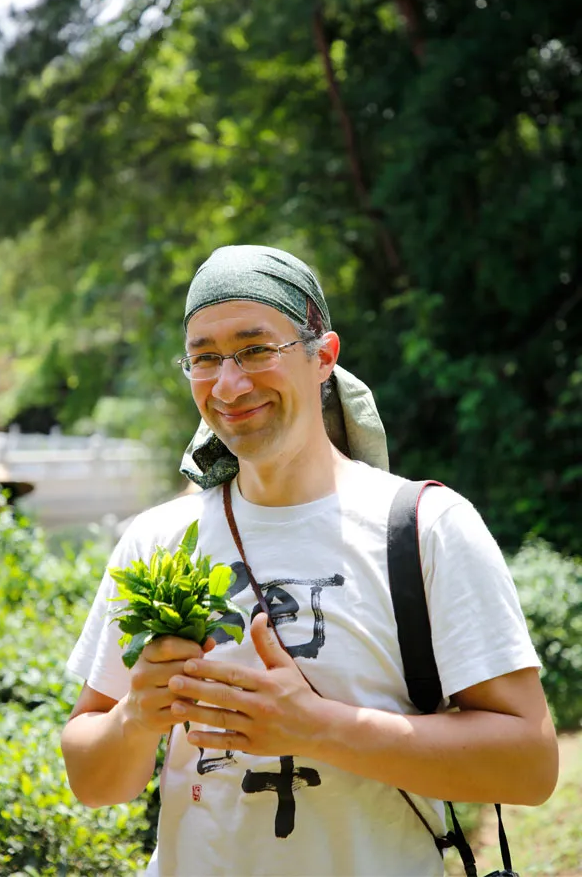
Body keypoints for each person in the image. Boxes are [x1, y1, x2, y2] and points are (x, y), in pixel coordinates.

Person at [61, 245, 557, 876]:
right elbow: (91, 779)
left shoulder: (424, 528)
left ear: (322, 355)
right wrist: (135, 718)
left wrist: (316, 727)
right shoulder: (159, 539)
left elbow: (530, 765)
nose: (229, 384)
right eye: (205, 358)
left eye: (255, 349)